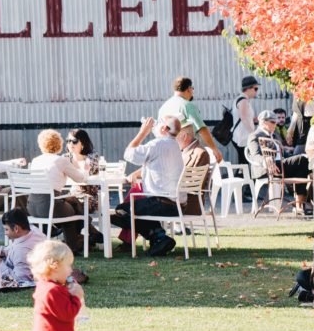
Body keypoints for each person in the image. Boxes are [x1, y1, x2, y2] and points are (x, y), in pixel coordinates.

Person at [111, 116, 182, 257]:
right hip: (175, 204)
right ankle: (158, 238)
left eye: (158, 122)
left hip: (160, 203)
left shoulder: (157, 144)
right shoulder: (175, 146)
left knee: (121, 211)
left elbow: (128, 154)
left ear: (164, 128)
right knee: (137, 208)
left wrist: (143, 132)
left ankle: (159, 237)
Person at [30, 129, 95, 254]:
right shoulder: (61, 160)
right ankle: (76, 245)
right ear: (58, 144)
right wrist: (85, 171)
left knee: (72, 204)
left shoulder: (36, 160)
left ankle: (89, 234)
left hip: (32, 205)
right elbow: (81, 178)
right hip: (51, 205)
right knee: (72, 213)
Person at [245, 108, 309, 215]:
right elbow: (255, 156)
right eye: (273, 122)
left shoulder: (275, 135)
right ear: (264, 122)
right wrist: (265, 161)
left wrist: (293, 157)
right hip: (267, 167)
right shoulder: (254, 136)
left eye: (276, 122)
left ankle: (299, 205)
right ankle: (300, 203)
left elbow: (283, 154)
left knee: (302, 165)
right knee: (302, 160)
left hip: (280, 165)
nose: (276, 124)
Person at [158, 76, 222, 161]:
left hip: (166, 152)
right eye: (192, 88)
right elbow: (202, 129)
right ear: (188, 89)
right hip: (186, 153)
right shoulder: (187, 105)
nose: (192, 91)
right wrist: (214, 149)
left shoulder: (163, 107)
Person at [0, 208, 42, 289]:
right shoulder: (34, 230)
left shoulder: (21, 251)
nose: (5, 233)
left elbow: (20, 279)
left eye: (6, 229)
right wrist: (4, 251)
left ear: (16, 229)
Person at [232, 76, 261, 162]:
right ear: (248, 88)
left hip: (243, 136)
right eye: (255, 89)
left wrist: (255, 119)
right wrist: (253, 134)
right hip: (242, 137)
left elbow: (245, 117)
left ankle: (241, 174)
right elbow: (244, 118)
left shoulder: (243, 100)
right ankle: (241, 175)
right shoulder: (243, 100)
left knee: (244, 161)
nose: (256, 91)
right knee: (245, 161)